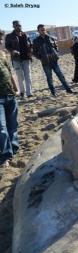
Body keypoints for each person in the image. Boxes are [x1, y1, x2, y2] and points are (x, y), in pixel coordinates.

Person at [33, 24, 72, 97]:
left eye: (44, 29)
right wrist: (41, 57)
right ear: (38, 31)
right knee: (49, 78)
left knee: (61, 75)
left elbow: (55, 47)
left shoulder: (51, 38)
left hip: (54, 61)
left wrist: (56, 54)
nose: (43, 31)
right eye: (41, 30)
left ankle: (68, 89)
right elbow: (34, 52)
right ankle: (53, 92)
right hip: (45, 62)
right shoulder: (36, 41)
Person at [0, 32, 19, 167]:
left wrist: (16, 88)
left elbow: (10, 72)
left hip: (10, 95)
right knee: (1, 128)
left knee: (12, 125)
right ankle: (6, 154)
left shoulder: (3, 55)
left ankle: (13, 149)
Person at [5, 20, 32, 98]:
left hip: (26, 58)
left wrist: (30, 51)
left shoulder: (25, 35)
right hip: (16, 59)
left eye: (19, 25)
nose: (18, 27)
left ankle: (29, 93)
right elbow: (7, 46)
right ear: (13, 26)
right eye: (16, 25)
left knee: (28, 76)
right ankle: (22, 92)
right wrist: (12, 51)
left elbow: (30, 45)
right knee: (20, 77)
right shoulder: (9, 36)